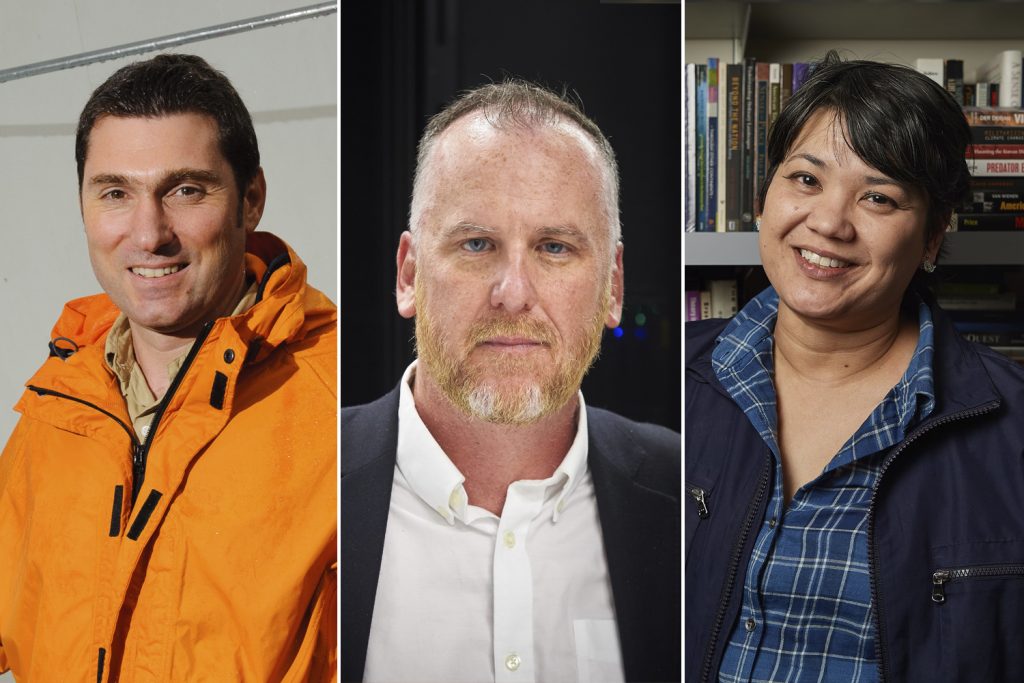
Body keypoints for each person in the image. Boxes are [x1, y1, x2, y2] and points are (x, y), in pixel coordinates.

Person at [686, 51, 1024, 683]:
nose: (829, 223)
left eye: (878, 197)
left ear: (931, 237)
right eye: (806, 180)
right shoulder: (671, 381)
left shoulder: (1012, 430)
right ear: (766, 196)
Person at [0, 54, 337, 681]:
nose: (149, 232)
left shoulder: (339, 403)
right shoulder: (55, 408)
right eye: (115, 193)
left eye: (185, 190)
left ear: (251, 199)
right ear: (83, 207)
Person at [340, 80, 680, 683]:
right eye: (476, 244)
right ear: (409, 273)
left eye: (554, 248)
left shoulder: (689, 495)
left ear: (614, 287)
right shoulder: (305, 479)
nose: (514, 295)